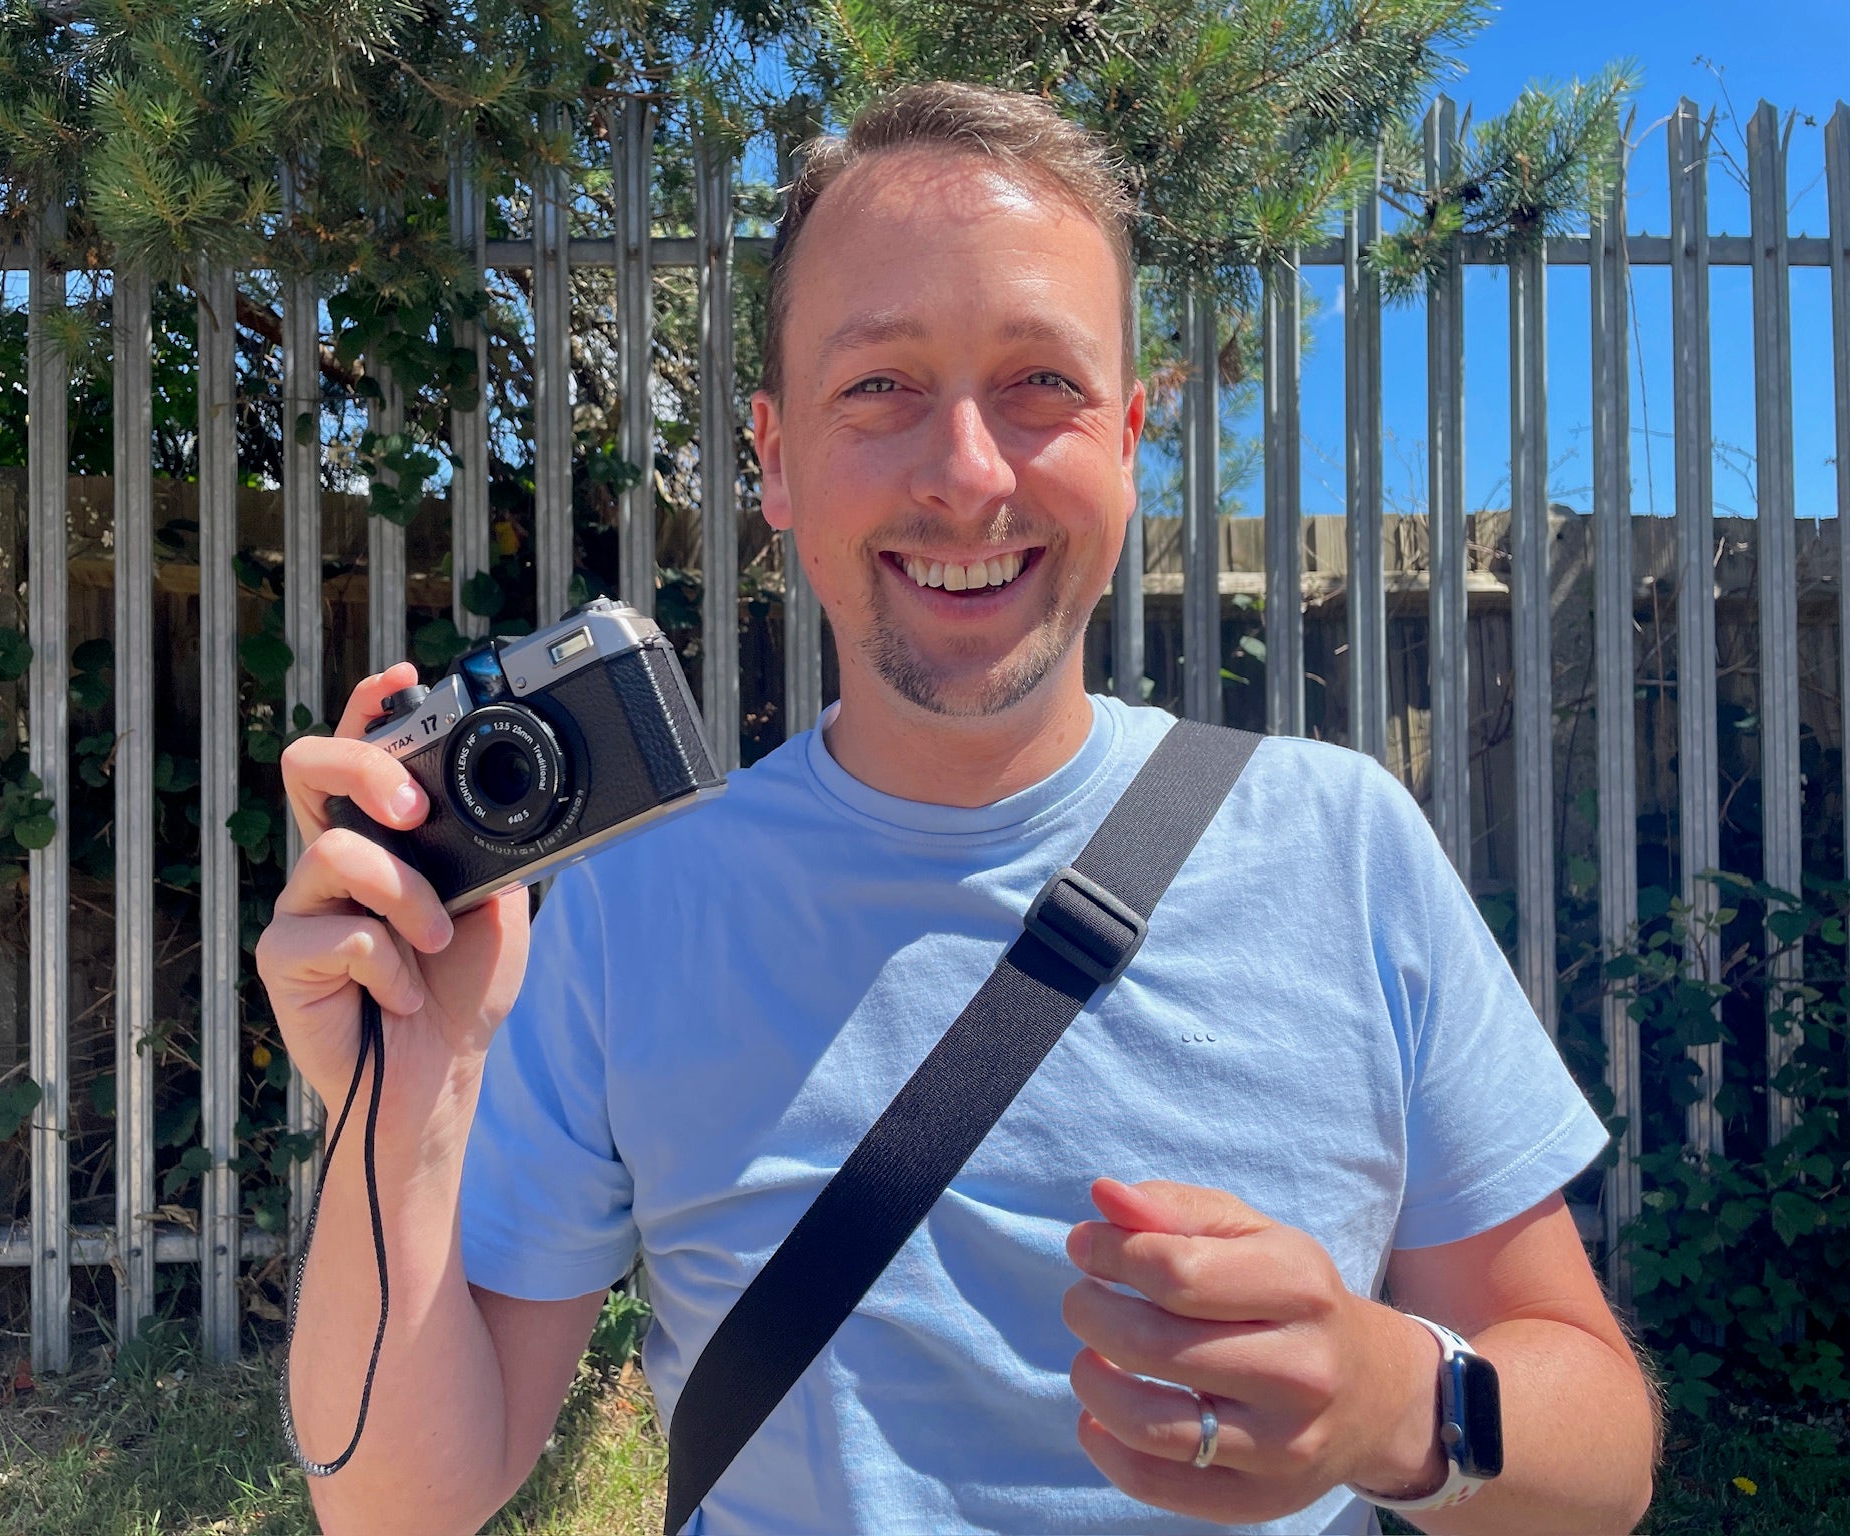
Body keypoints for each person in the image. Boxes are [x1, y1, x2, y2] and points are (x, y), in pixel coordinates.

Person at [257, 81, 1658, 1536]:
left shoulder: (1343, 846)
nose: (968, 476)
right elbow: (402, 1510)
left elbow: (1600, 1463)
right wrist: (400, 1103)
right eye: (881, 388)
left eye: (1042, 385)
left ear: (1128, 441)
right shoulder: (630, 903)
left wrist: (1397, 1403)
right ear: (778, 458)